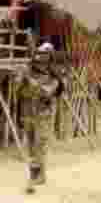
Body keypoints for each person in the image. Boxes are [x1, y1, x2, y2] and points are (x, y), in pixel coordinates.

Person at [20, 42, 64, 194]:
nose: (40, 57)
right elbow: (18, 90)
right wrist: (22, 80)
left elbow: (47, 92)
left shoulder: (55, 76)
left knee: (40, 145)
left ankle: (36, 177)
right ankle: (37, 175)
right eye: (39, 54)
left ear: (50, 57)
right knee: (31, 146)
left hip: (43, 114)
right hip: (28, 113)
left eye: (44, 55)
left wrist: (33, 84)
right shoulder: (29, 72)